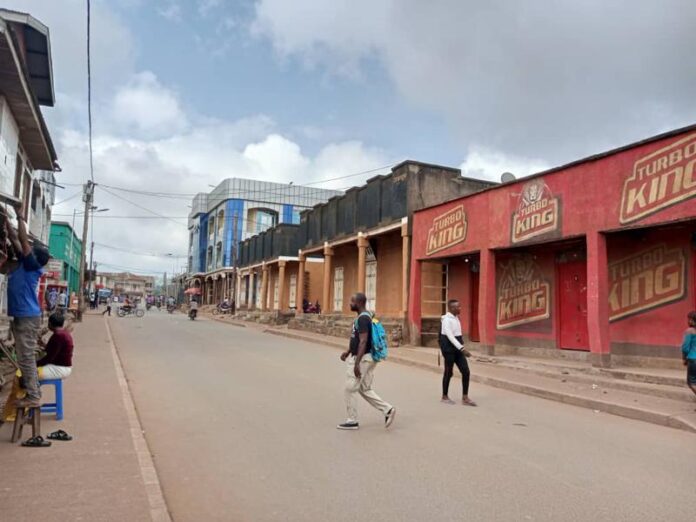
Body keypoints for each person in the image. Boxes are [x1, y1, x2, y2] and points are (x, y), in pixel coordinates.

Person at [4, 203, 50, 408]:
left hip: (27, 317)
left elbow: (22, 240)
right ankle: (31, 391)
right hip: (22, 316)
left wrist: (20, 216)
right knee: (23, 357)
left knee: (26, 358)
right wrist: (6, 220)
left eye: (30, 250)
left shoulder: (32, 265)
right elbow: (15, 239)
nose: (26, 249)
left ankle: (34, 396)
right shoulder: (25, 263)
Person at [337, 293, 396, 430]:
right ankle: (387, 409)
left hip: (362, 358)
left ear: (358, 302)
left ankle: (352, 420)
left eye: (351, 301)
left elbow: (363, 341)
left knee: (350, 388)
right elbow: (358, 339)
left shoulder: (363, 318)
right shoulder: (364, 317)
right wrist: (348, 351)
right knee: (364, 388)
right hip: (365, 357)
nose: (349, 304)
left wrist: (357, 363)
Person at [439, 299, 476, 406]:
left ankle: (465, 397)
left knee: (466, 371)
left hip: (458, 349)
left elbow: (457, 335)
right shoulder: (446, 320)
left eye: (460, 306)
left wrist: (461, 348)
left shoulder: (456, 318)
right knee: (448, 372)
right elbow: (450, 336)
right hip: (449, 350)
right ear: (451, 308)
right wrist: (462, 349)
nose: (460, 308)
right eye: (458, 307)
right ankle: (444, 396)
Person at [37, 313, 73, 380]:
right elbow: (53, 349)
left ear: (50, 324)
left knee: (26, 375)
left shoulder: (58, 336)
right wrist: (44, 345)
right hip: (62, 367)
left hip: (59, 368)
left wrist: (35, 364)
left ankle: (34, 390)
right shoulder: (64, 333)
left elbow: (49, 357)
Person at [681, 311, 696, 398]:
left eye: (689, 319)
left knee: (691, 383)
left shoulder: (690, 331)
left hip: (693, 359)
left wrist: (684, 359)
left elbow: (685, 348)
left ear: (692, 320)